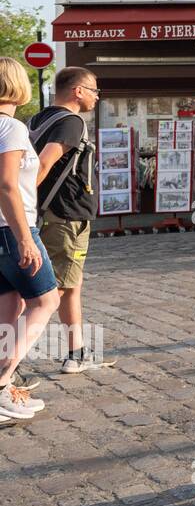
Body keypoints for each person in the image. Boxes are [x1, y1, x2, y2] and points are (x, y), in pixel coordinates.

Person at [30, 66, 106, 375]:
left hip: (49, 213)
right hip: (64, 216)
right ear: (78, 91)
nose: (97, 97)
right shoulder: (71, 122)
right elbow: (43, 163)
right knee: (51, 293)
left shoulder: (38, 119)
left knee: (70, 284)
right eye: (94, 90)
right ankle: (9, 362)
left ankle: (78, 351)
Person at [0, 58, 58, 421]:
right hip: (12, 228)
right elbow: (7, 185)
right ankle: (2, 379)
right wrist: (25, 238)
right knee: (45, 301)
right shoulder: (11, 128)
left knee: (8, 310)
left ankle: (5, 392)